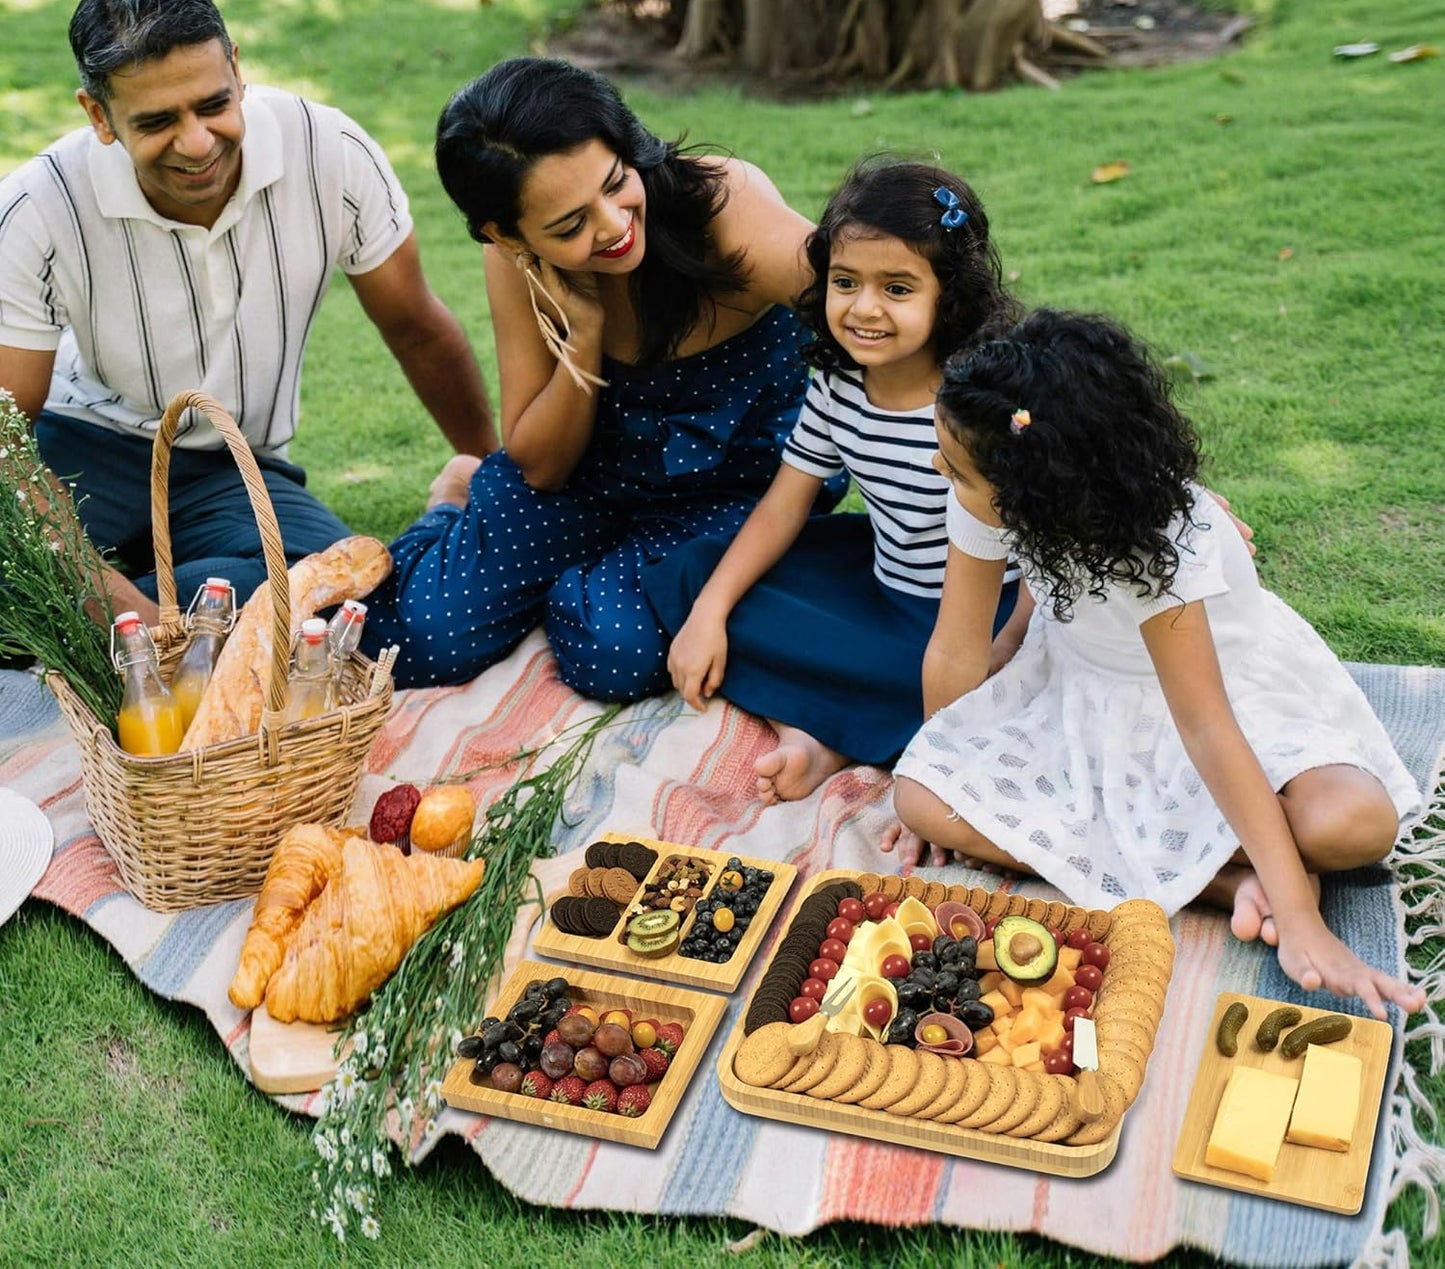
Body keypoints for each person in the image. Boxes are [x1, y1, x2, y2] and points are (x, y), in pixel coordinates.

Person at [888, 309, 1424, 1017]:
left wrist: (1299, 917)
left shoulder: (1160, 540)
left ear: (1035, 489)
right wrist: (945, 757)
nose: (939, 470)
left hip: (1220, 700)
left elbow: (1205, 724)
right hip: (1085, 689)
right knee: (920, 798)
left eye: (954, 469)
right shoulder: (980, 496)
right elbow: (956, 647)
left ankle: (1261, 872)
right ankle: (1221, 882)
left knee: (1352, 824)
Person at [0, 0, 497, 620]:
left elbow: (415, 327)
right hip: (80, 447)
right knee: (265, 615)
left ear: (236, 68)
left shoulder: (332, 153)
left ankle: (138, 600)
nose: (198, 143)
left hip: (229, 466)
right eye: (156, 122)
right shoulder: (37, 206)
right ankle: (171, 597)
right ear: (98, 114)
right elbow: (7, 444)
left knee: (339, 602)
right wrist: (133, 619)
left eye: (212, 104)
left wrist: (495, 477)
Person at [359, 56, 835, 695]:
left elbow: (872, 320)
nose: (613, 225)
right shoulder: (514, 260)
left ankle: (585, 575)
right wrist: (581, 338)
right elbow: (541, 465)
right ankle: (455, 505)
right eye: (570, 224)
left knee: (611, 653)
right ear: (507, 233)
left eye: (615, 183)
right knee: (411, 646)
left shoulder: (724, 206)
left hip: (736, 481)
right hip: (588, 478)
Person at [645, 160, 1022, 805]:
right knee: (697, 576)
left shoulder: (984, 399)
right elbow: (782, 507)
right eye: (845, 282)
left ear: (948, 296)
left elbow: (1060, 537)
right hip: (878, 583)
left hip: (981, 619)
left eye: (898, 289)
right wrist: (709, 612)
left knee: (965, 688)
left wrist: (1007, 657)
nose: (864, 309)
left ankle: (834, 738)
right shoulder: (838, 381)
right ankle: (819, 732)